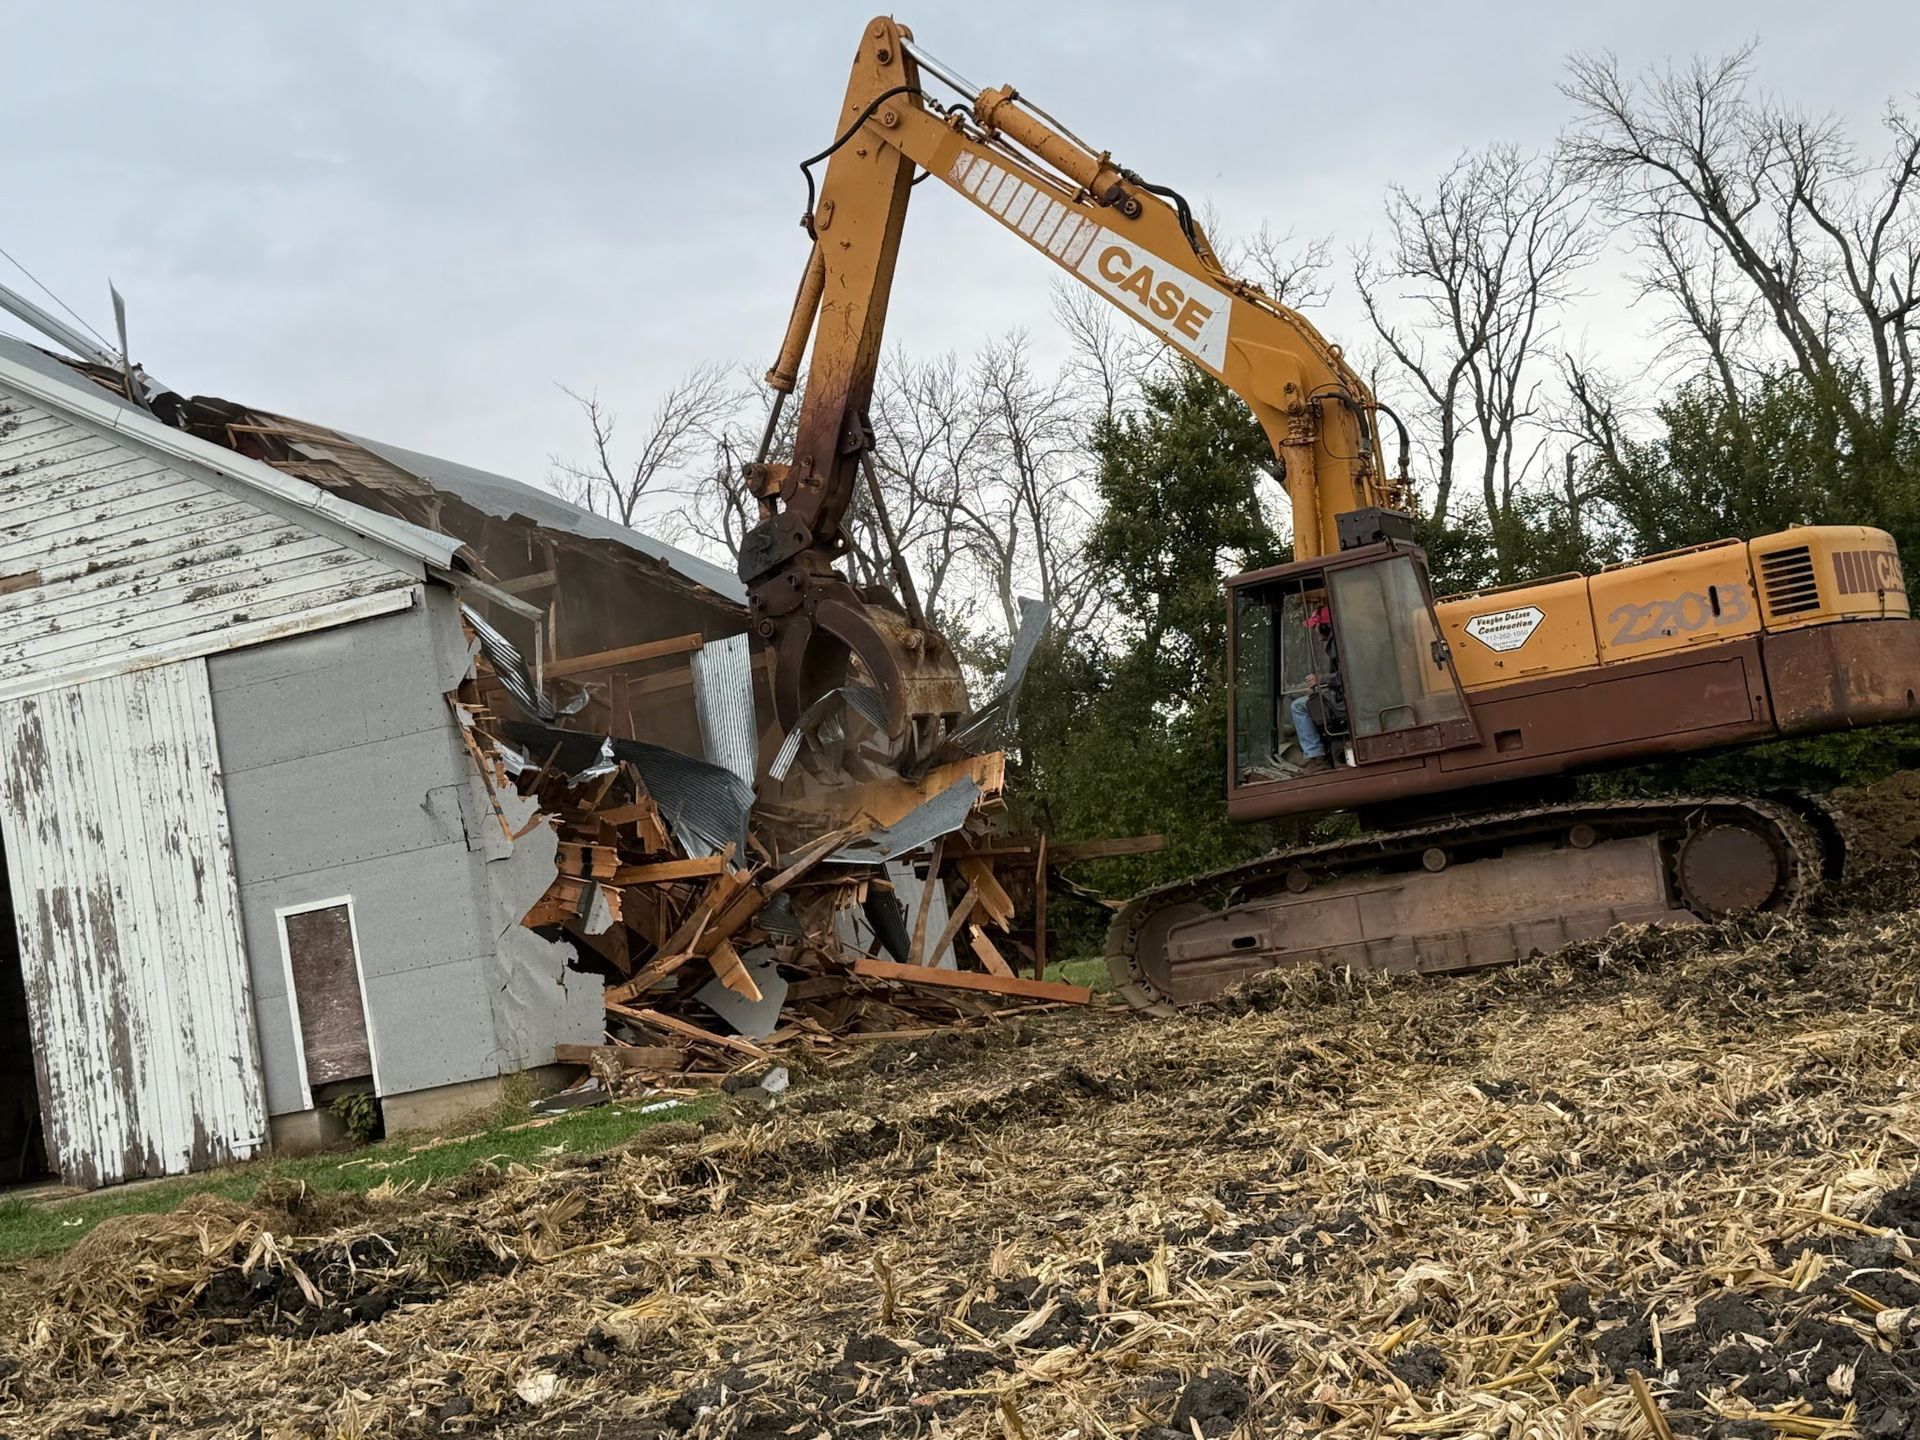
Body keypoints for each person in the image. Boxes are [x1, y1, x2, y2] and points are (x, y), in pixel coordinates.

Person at [1289, 602, 1342, 775]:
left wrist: (1322, 679)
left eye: (1316, 626)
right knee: (1300, 698)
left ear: (1325, 626)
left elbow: (1347, 677)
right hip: (1341, 695)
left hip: (1343, 700)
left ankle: (1317, 758)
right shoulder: (1338, 641)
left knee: (1298, 706)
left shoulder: (1337, 644)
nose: (1314, 630)